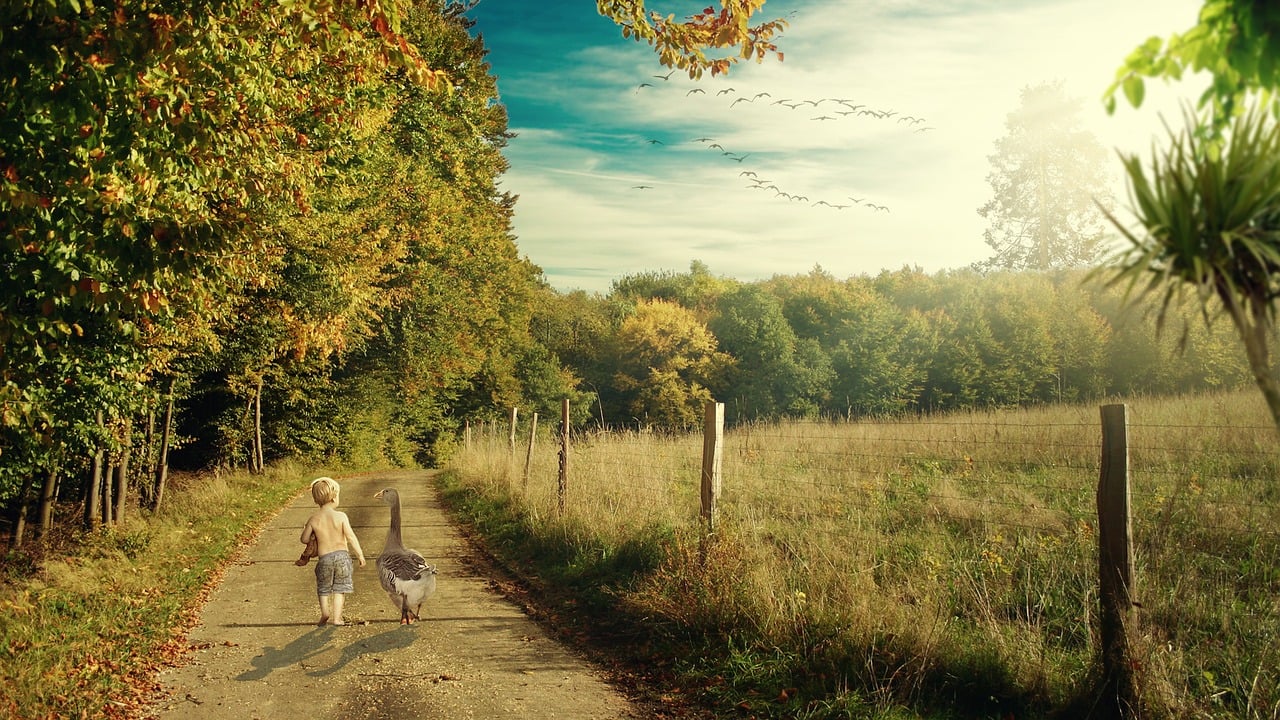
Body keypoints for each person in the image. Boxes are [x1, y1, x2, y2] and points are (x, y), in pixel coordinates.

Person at [300, 477, 366, 626]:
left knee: (323, 588)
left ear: (316, 500)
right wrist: (360, 554)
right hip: (343, 558)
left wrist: (309, 532)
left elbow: (304, 540)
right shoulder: (341, 516)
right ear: (334, 497)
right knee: (339, 589)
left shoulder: (314, 519)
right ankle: (337, 618)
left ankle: (325, 613)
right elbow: (351, 537)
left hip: (324, 560)